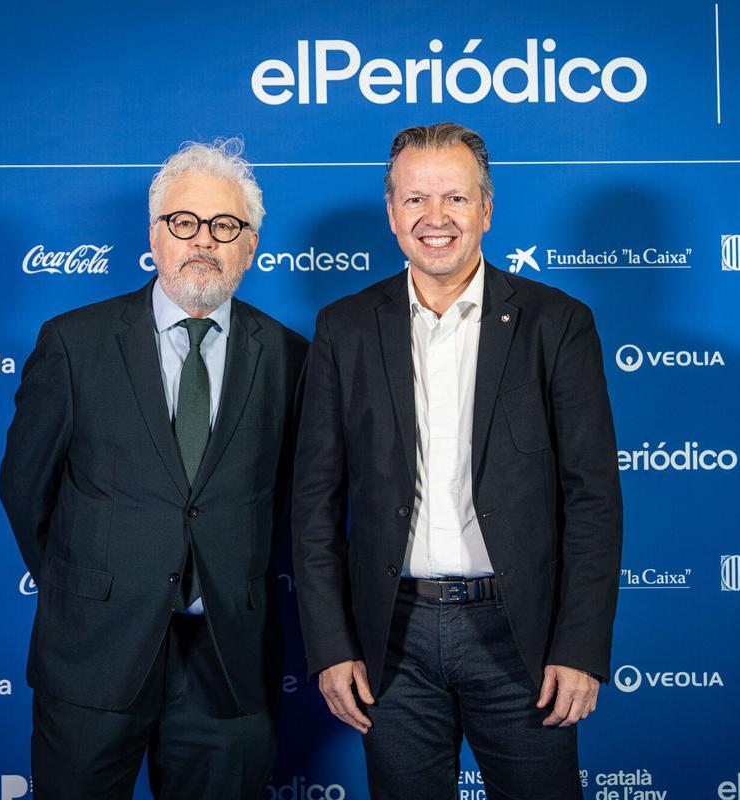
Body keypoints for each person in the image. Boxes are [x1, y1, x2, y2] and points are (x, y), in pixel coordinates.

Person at [292, 122, 623, 799]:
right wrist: (330, 646)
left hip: (519, 635)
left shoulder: (557, 324)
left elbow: (593, 497)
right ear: (391, 213)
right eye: (415, 200)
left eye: (455, 199)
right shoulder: (344, 328)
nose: (435, 219)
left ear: (486, 209)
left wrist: (580, 647)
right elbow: (314, 502)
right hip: (392, 638)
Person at [0, 138, 306, 799]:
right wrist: (87, 587)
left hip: (227, 660)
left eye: (225, 227)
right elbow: (26, 489)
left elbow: (294, 501)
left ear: (250, 246)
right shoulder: (74, 344)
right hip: (94, 654)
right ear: (155, 236)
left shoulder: (289, 357)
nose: (204, 241)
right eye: (184, 223)